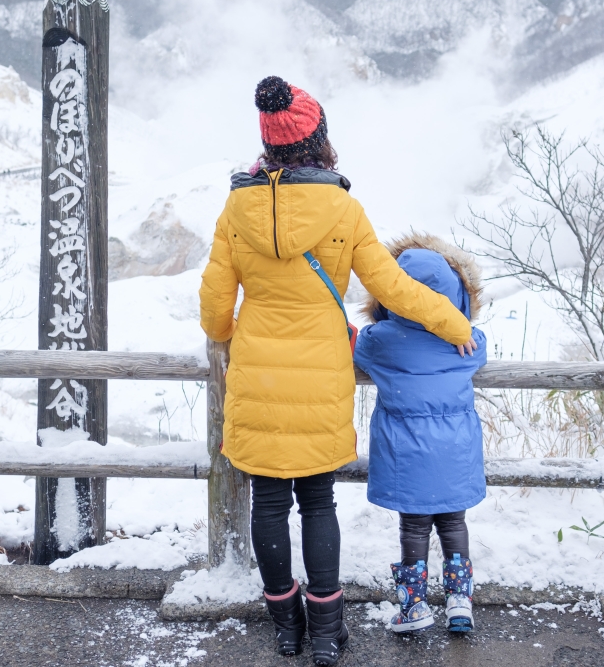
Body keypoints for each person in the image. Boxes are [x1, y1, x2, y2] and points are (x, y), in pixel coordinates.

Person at [199, 76, 477, 665]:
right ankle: (327, 632)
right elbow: (394, 288)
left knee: (268, 504)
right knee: (317, 501)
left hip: (256, 377)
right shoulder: (342, 208)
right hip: (321, 376)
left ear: (268, 145)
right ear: (319, 139)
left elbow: (215, 314)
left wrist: (235, 333)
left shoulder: (235, 207)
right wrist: (455, 325)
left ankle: (287, 627)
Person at [352, 234, 487, 634]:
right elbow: (479, 345)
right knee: (453, 523)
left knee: (414, 526)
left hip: (406, 451)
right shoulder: (465, 339)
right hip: (456, 450)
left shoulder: (382, 342)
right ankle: (459, 601)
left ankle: (414, 606)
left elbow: (356, 347)